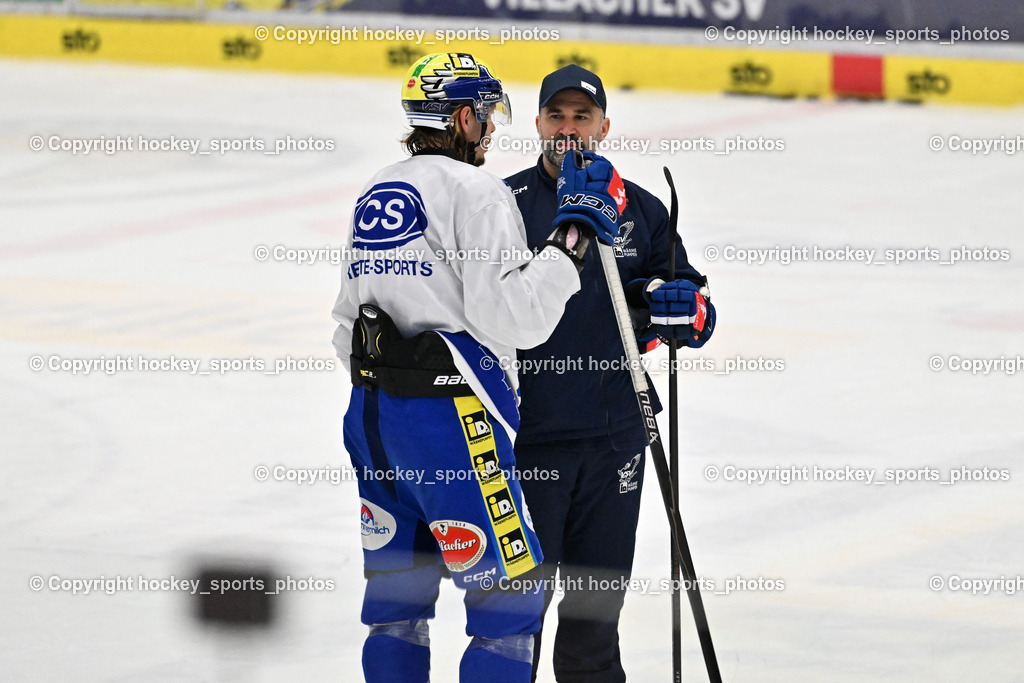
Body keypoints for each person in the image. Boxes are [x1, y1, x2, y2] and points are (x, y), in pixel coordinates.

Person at [331, 53, 624, 683]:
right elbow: (517, 317)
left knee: (396, 603)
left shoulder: (380, 187)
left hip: (372, 419)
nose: (491, 130)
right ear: (463, 117)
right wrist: (568, 247)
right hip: (452, 423)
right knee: (509, 601)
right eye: (487, 115)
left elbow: (346, 322)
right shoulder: (477, 191)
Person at [504, 64, 716, 682]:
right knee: (517, 616)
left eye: (583, 116)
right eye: (558, 115)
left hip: (616, 440)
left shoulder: (641, 209)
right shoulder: (502, 204)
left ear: (602, 126)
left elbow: (692, 309)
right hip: (528, 442)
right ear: (540, 122)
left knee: (594, 621)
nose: (569, 129)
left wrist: (685, 312)